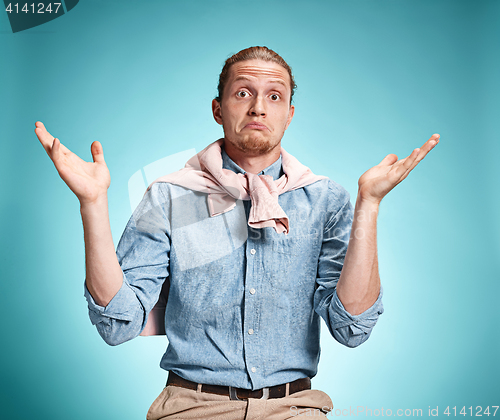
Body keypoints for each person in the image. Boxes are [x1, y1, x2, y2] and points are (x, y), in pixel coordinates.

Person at [35, 46, 439, 420]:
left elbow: (350, 328)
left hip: (294, 408)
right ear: (218, 108)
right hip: (190, 408)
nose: (259, 107)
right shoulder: (170, 195)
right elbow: (117, 324)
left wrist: (369, 203)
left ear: (290, 114)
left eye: (275, 96)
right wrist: (92, 203)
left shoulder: (325, 201)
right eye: (243, 93)